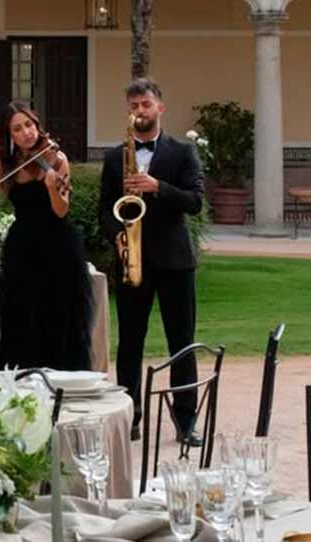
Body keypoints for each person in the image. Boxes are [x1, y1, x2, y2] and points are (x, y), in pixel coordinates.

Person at [0, 100, 92, 371]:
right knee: (22, 314)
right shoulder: (7, 165)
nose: (27, 132)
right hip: (22, 247)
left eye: (29, 125)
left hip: (57, 246)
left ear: (37, 126)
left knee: (57, 314)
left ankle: (59, 376)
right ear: (9, 136)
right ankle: (24, 375)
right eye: (18, 129)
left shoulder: (56, 159)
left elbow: (61, 210)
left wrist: (51, 189)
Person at [99, 78, 205, 443]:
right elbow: (104, 209)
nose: (139, 111)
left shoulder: (183, 152)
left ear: (160, 107)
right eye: (133, 106)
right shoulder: (115, 157)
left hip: (175, 260)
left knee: (182, 342)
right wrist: (116, 233)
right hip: (133, 259)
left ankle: (186, 420)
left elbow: (195, 201)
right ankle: (130, 416)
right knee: (130, 343)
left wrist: (157, 186)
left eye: (145, 104)